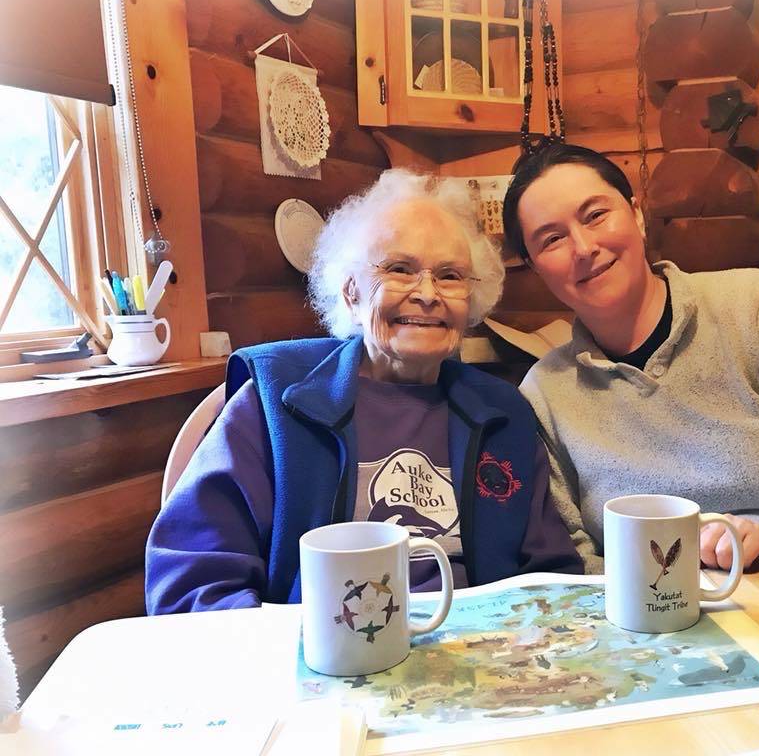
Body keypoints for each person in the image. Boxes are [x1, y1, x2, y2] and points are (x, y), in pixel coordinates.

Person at [146, 169, 582, 614]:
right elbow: (193, 579)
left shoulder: (503, 414)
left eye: (450, 275)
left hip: (481, 658)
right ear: (351, 292)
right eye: (399, 269)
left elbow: (549, 574)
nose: (428, 294)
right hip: (323, 659)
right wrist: (289, 656)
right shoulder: (276, 400)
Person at [501, 144, 759, 582]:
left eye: (595, 215)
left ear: (637, 215)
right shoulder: (545, 393)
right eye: (552, 239)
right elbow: (573, 552)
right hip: (660, 627)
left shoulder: (754, 305)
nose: (584, 247)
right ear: (535, 268)